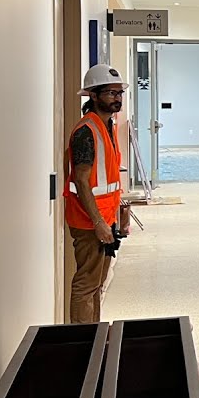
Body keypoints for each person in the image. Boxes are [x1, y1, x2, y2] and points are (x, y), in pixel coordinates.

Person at [65, 64, 126, 324]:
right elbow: (81, 179)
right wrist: (100, 223)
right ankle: (82, 341)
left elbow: (107, 178)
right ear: (93, 95)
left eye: (119, 93)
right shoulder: (86, 131)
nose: (117, 98)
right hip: (89, 222)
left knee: (98, 282)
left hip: (105, 217)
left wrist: (119, 211)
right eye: (110, 93)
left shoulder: (108, 127)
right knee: (87, 283)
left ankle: (95, 336)